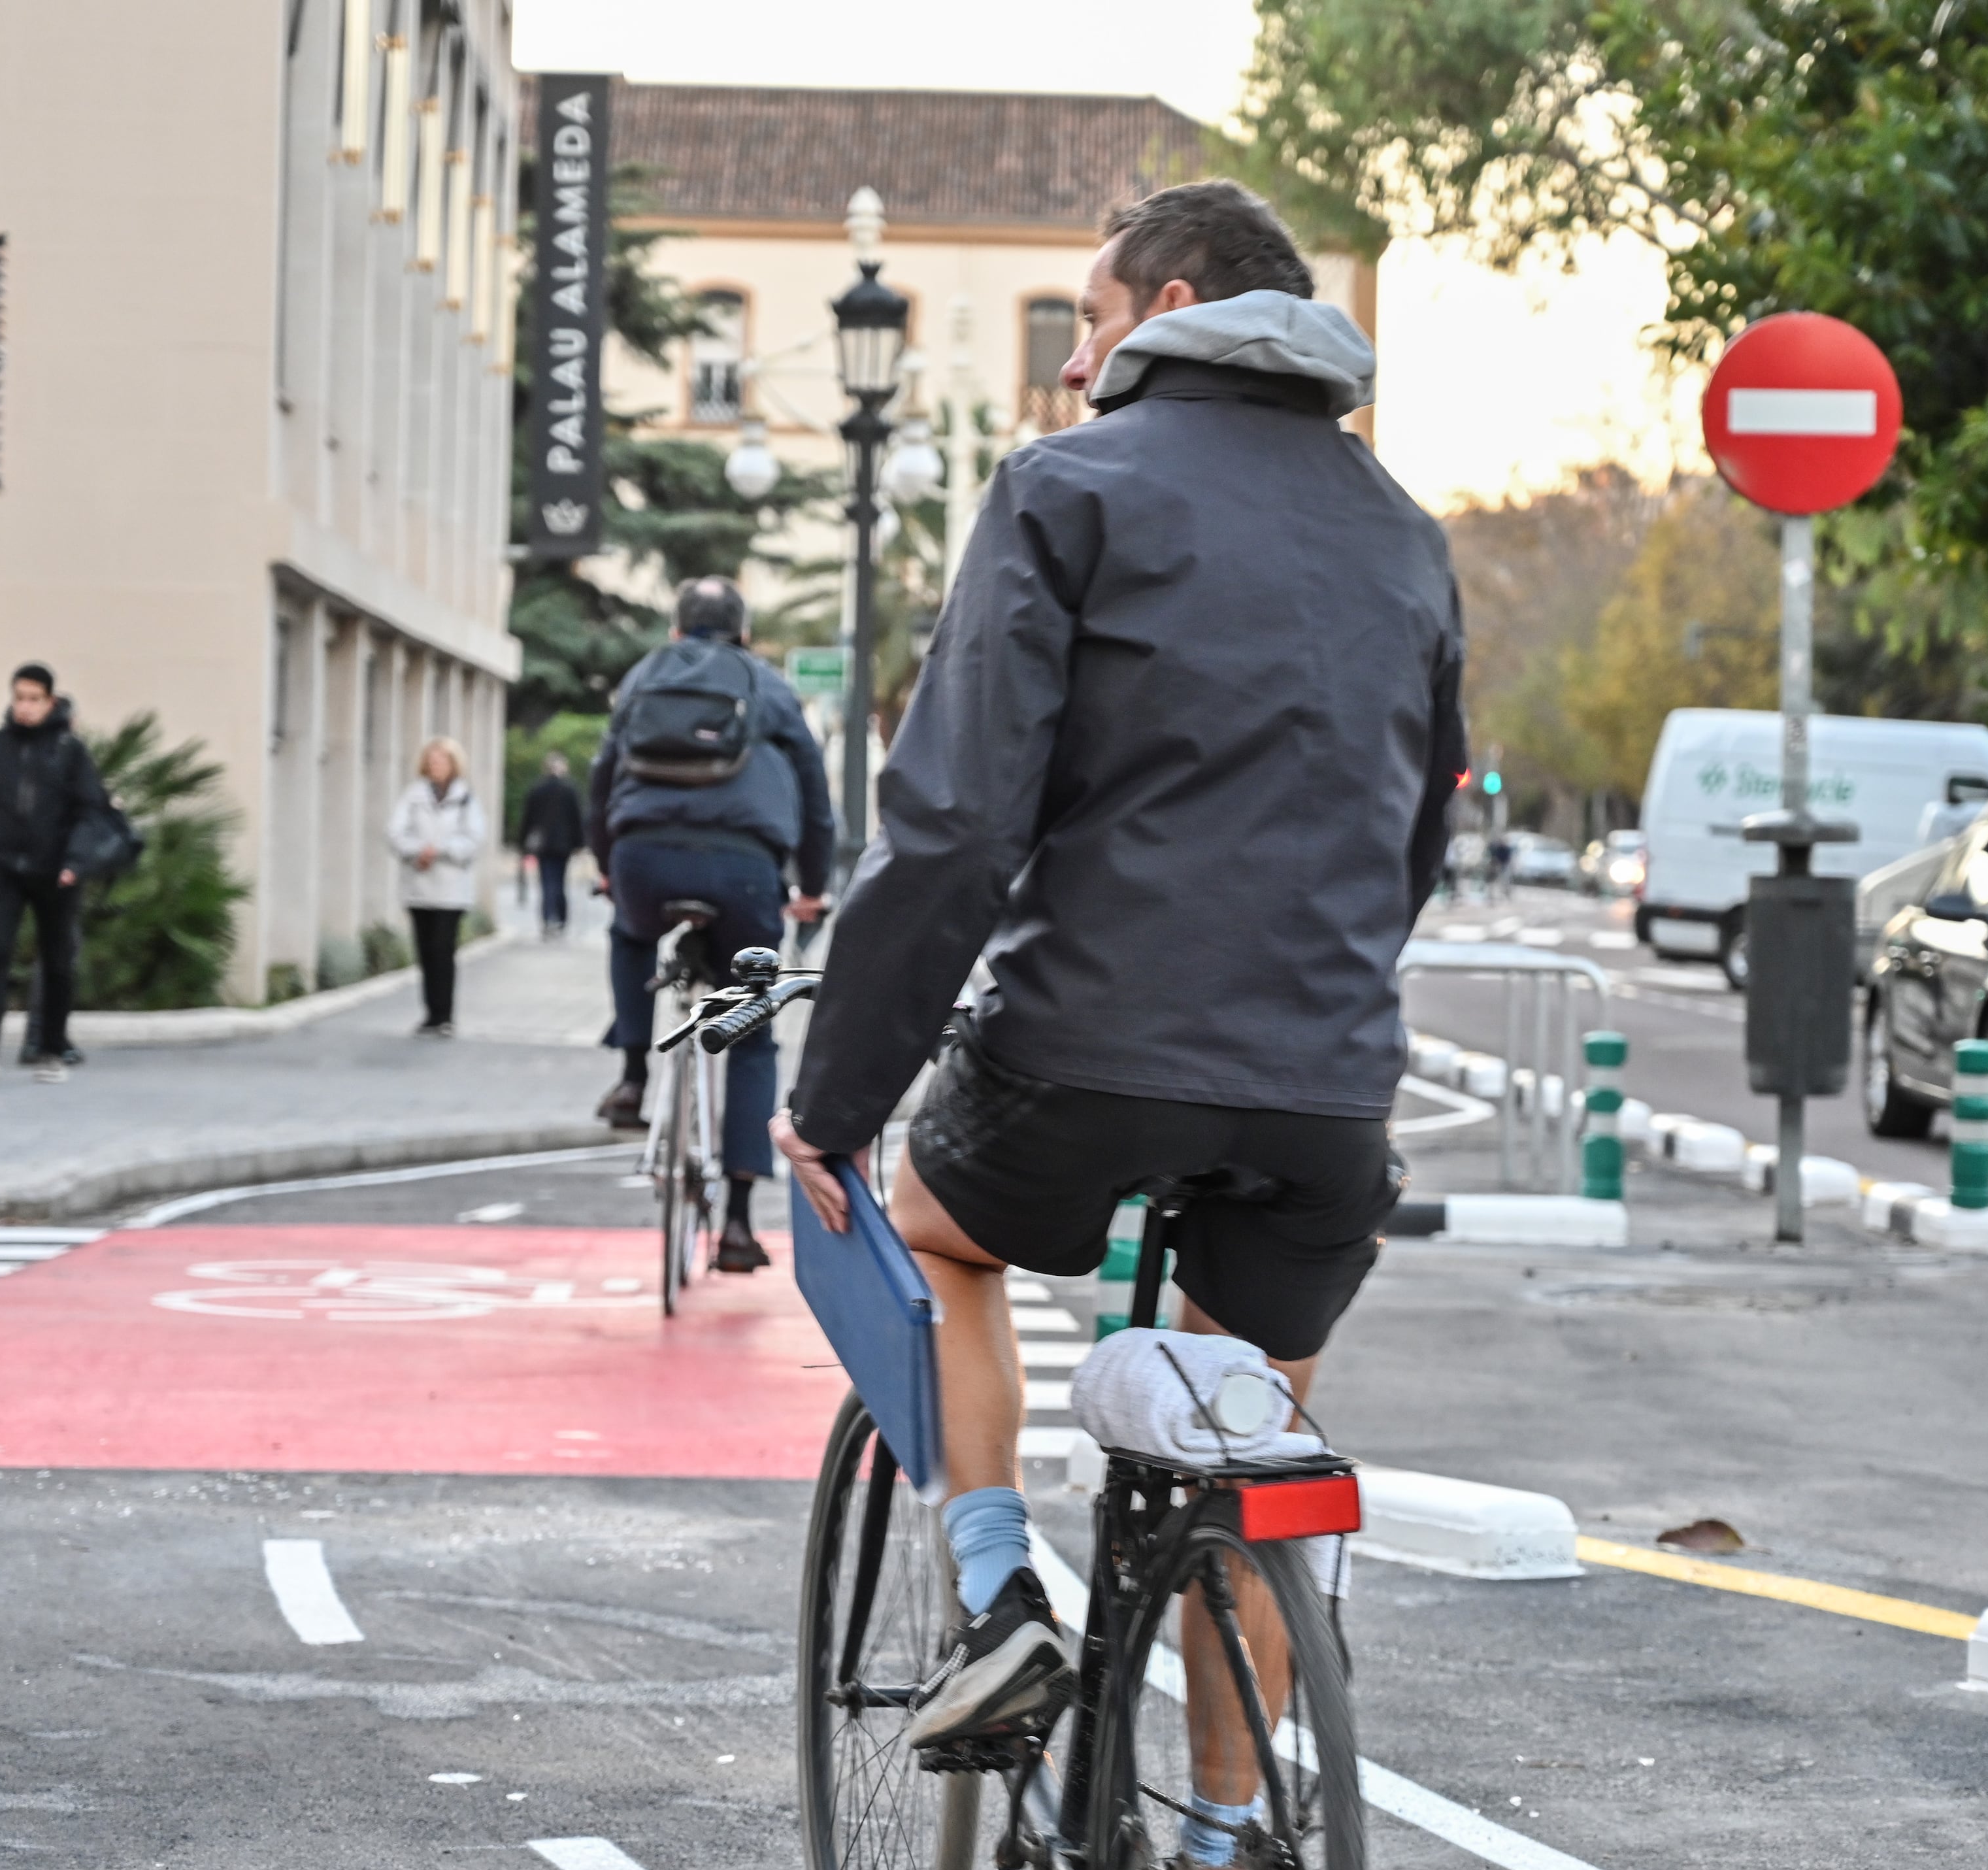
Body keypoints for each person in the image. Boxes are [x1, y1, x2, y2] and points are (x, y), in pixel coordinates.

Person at [773, 181, 1462, 1783]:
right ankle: (1228, 1851)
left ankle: (1001, 1591)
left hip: (1085, 1045)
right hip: (1326, 1085)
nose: (1074, 365)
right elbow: (1413, 834)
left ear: (1165, 309)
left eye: (1085, 321)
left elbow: (950, 830)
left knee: (941, 1239)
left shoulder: (1066, 490)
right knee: (1253, 1434)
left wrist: (836, 1102)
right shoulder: (1405, 534)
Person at [588, 576, 835, 1272]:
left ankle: (632, 1075)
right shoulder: (766, 684)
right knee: (752, 1027)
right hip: (744, 869)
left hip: (643, 859)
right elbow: (814, 791)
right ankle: (736, 1223)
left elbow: (603, 776)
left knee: (630, 935)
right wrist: (812, 887)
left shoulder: (643, 675)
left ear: (676, 631)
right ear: (744, 635)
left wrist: (610, 863)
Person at [0, 665, 106, 1085]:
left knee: (58, 963)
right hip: (4, 867)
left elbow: (90, 812)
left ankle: (52, 1049)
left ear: (50, 702)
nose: (24, 707)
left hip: (56, 872)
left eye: (33, 699)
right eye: (19, 697)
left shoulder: (69, 750)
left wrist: (75, 863)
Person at [389, 739, 487, 1033]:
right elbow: (395, 831)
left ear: (453, 764)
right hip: (420, 884)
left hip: (451, 888)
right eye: (432, 762)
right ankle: (430, 1013)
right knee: (425, 950)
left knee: (444, 949)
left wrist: (440, 850)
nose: (436, 767)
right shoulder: (413, 795)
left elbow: (474, 838)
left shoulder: (466, 797)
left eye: (441, 761)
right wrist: (418, 850)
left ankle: (445, 1015)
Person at [518, 750, 587, 937]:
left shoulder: (537, 789)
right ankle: (560, 919)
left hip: (543, 844)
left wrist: (522, 843)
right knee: (559, 881)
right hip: (563, 845)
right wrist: (580, 843)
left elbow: (527, 819)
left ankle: (549, 919)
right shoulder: (570, 789)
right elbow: (577, 819)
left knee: (547, 882)